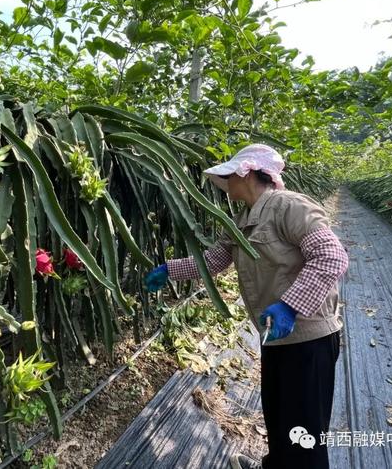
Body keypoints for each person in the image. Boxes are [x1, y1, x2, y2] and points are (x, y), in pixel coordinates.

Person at [144, 144, 349, 469]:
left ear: (248, 173)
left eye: (230, 175)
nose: (225, 184)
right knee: (279, 417)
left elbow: (331, 256)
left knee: (304, 434)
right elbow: (213, 261)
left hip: (308, 339)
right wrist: (170, 270)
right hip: (275, 335)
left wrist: (290, 306)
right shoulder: (242, 220)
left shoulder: (288, 207)